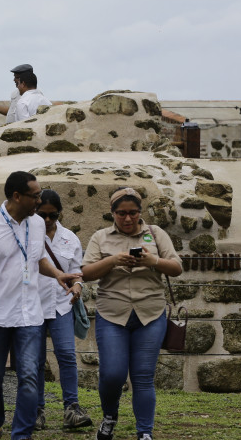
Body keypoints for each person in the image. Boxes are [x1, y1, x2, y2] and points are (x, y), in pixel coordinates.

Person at [0, 171, 81, 440]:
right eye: (35, 196)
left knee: (29, 376)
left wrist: (58, 274)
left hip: (30, 316)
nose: (39, 201)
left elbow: (37, 259)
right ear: (17, 196)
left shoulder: (37, 224)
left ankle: (22, 434)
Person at [81, 187, 183, 440]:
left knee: (143, 377)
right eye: (121, 214)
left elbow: (177, 267)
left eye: (133, 213)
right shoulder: (100, 237)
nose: (128, 219)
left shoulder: (156, 234)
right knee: (112, 374)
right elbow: (86, 273)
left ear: (140, 212)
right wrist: (113, 260)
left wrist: (153, 262)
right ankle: (109, 416)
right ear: (112, 213)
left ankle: (145, 432)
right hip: (112, 314)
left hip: (150, 314)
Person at [34, 189, 92, 431]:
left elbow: (78, 271)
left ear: (60, 213)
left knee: (67, 356)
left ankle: (71, 408)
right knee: (34, 361)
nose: (47, 220)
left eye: (53, 215)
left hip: (61, 305)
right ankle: (35, 410)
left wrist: (78, 286)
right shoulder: (28, 235)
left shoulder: (70, 238)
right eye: (42, 215)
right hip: (33, 306)